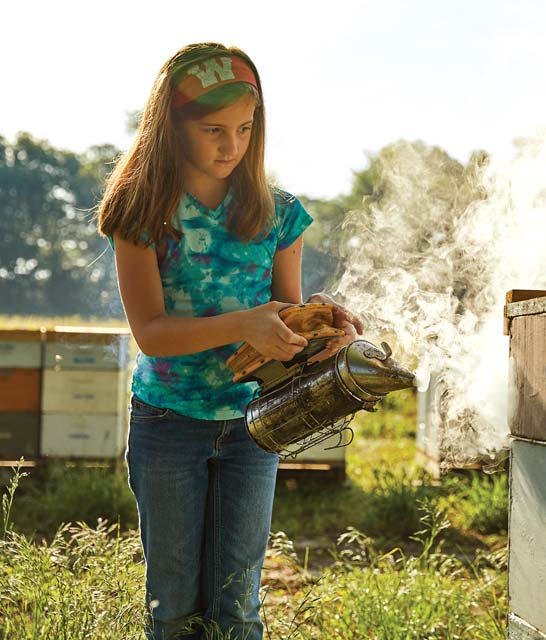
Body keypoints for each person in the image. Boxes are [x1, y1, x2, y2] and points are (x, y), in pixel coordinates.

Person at [98, 42, 361, 639]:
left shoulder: (278, 213)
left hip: (253, 425)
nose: (231, 146)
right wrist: (243, 324)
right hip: (168, 424)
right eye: (213, 129)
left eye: (245, 129)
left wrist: (321, 325)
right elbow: (152, 335)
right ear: (172, 127)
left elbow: (285, 320)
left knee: (237, 609)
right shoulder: (140, 213)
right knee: (175, 609)